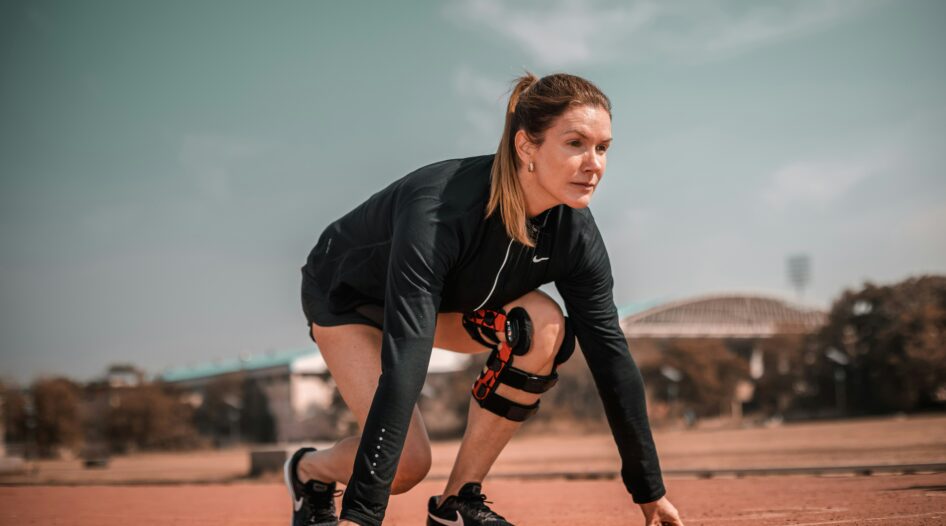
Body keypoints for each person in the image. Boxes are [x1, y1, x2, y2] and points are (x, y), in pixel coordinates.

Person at [283, 72, 684, 526]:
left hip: (447, 305)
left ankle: (457, 502)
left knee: (542, 326)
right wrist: (363, 515)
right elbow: (406, 365)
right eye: (575, 143)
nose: (594, 163)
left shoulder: (575, 235)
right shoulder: (440, 209)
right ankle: (308, 471)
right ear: (526, 146)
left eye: (603, 147)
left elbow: (611, 357)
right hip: (349, 301)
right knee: (406, 466)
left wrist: (650, 492)